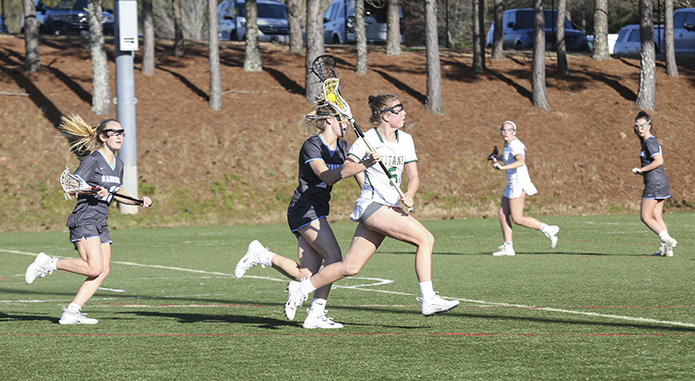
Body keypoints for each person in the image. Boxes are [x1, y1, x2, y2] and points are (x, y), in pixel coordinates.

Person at [284, 94, 460, 318]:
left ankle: (302, 289)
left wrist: (410, 194)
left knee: (350, 267)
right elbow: (346, 171)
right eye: (399, 110)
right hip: (372, 205)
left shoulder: (406, 139)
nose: (404, 113)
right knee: (425, 239)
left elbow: (414, 176)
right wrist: (365, 162)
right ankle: (429, 299)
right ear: (386, 116)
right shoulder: (366, 140)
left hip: (390, 206)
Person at [234, 103, 379, 329]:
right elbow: (327, 177)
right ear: (330, 120)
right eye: (343, 119)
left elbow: (362, 181)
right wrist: (363, 164)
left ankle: (261, 255)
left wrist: (378, 194)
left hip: (318, 209)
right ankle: (316, 314)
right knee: (334, 258)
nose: (347, 124)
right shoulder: (312, 145)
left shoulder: (343, 147)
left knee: (306, 274)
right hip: (304, 208)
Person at [25, 114, 152, 324]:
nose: (119, 136)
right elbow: (72, 188)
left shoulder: (118, 164)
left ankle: (72, 312)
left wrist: (139, 202)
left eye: (122, 132)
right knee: (94, 267)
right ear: (103, 137)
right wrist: (94, 192)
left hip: (101, 221)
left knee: (103, 270)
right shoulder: (92, 160)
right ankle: (48, 263)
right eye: (114, 133)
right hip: (84, 219)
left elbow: (119, 194)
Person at [489, 120, 559, 256]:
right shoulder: (508, 144)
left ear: (514, 132)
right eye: (503, 130)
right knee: (502, 214)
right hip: (511, 182)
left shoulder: (515, 144)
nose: (506, 132)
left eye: (509, 130)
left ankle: (548, 229)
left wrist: (502, 167)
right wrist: (497, 157)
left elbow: (521, 161)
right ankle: (508, 247)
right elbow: (509, 159)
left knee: (517, 218)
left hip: (518, 182)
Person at [631, 111, 677, 256]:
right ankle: (666, 250)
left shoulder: (650, 141)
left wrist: (641, 169)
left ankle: (666, 239)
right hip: (660, 181)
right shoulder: (648, 141)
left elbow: (659, 161)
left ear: (649, 126)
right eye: (637, 126)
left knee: (645, 217)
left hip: (655, 183)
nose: (640, 128)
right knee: (657, 216)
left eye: (643, 125)